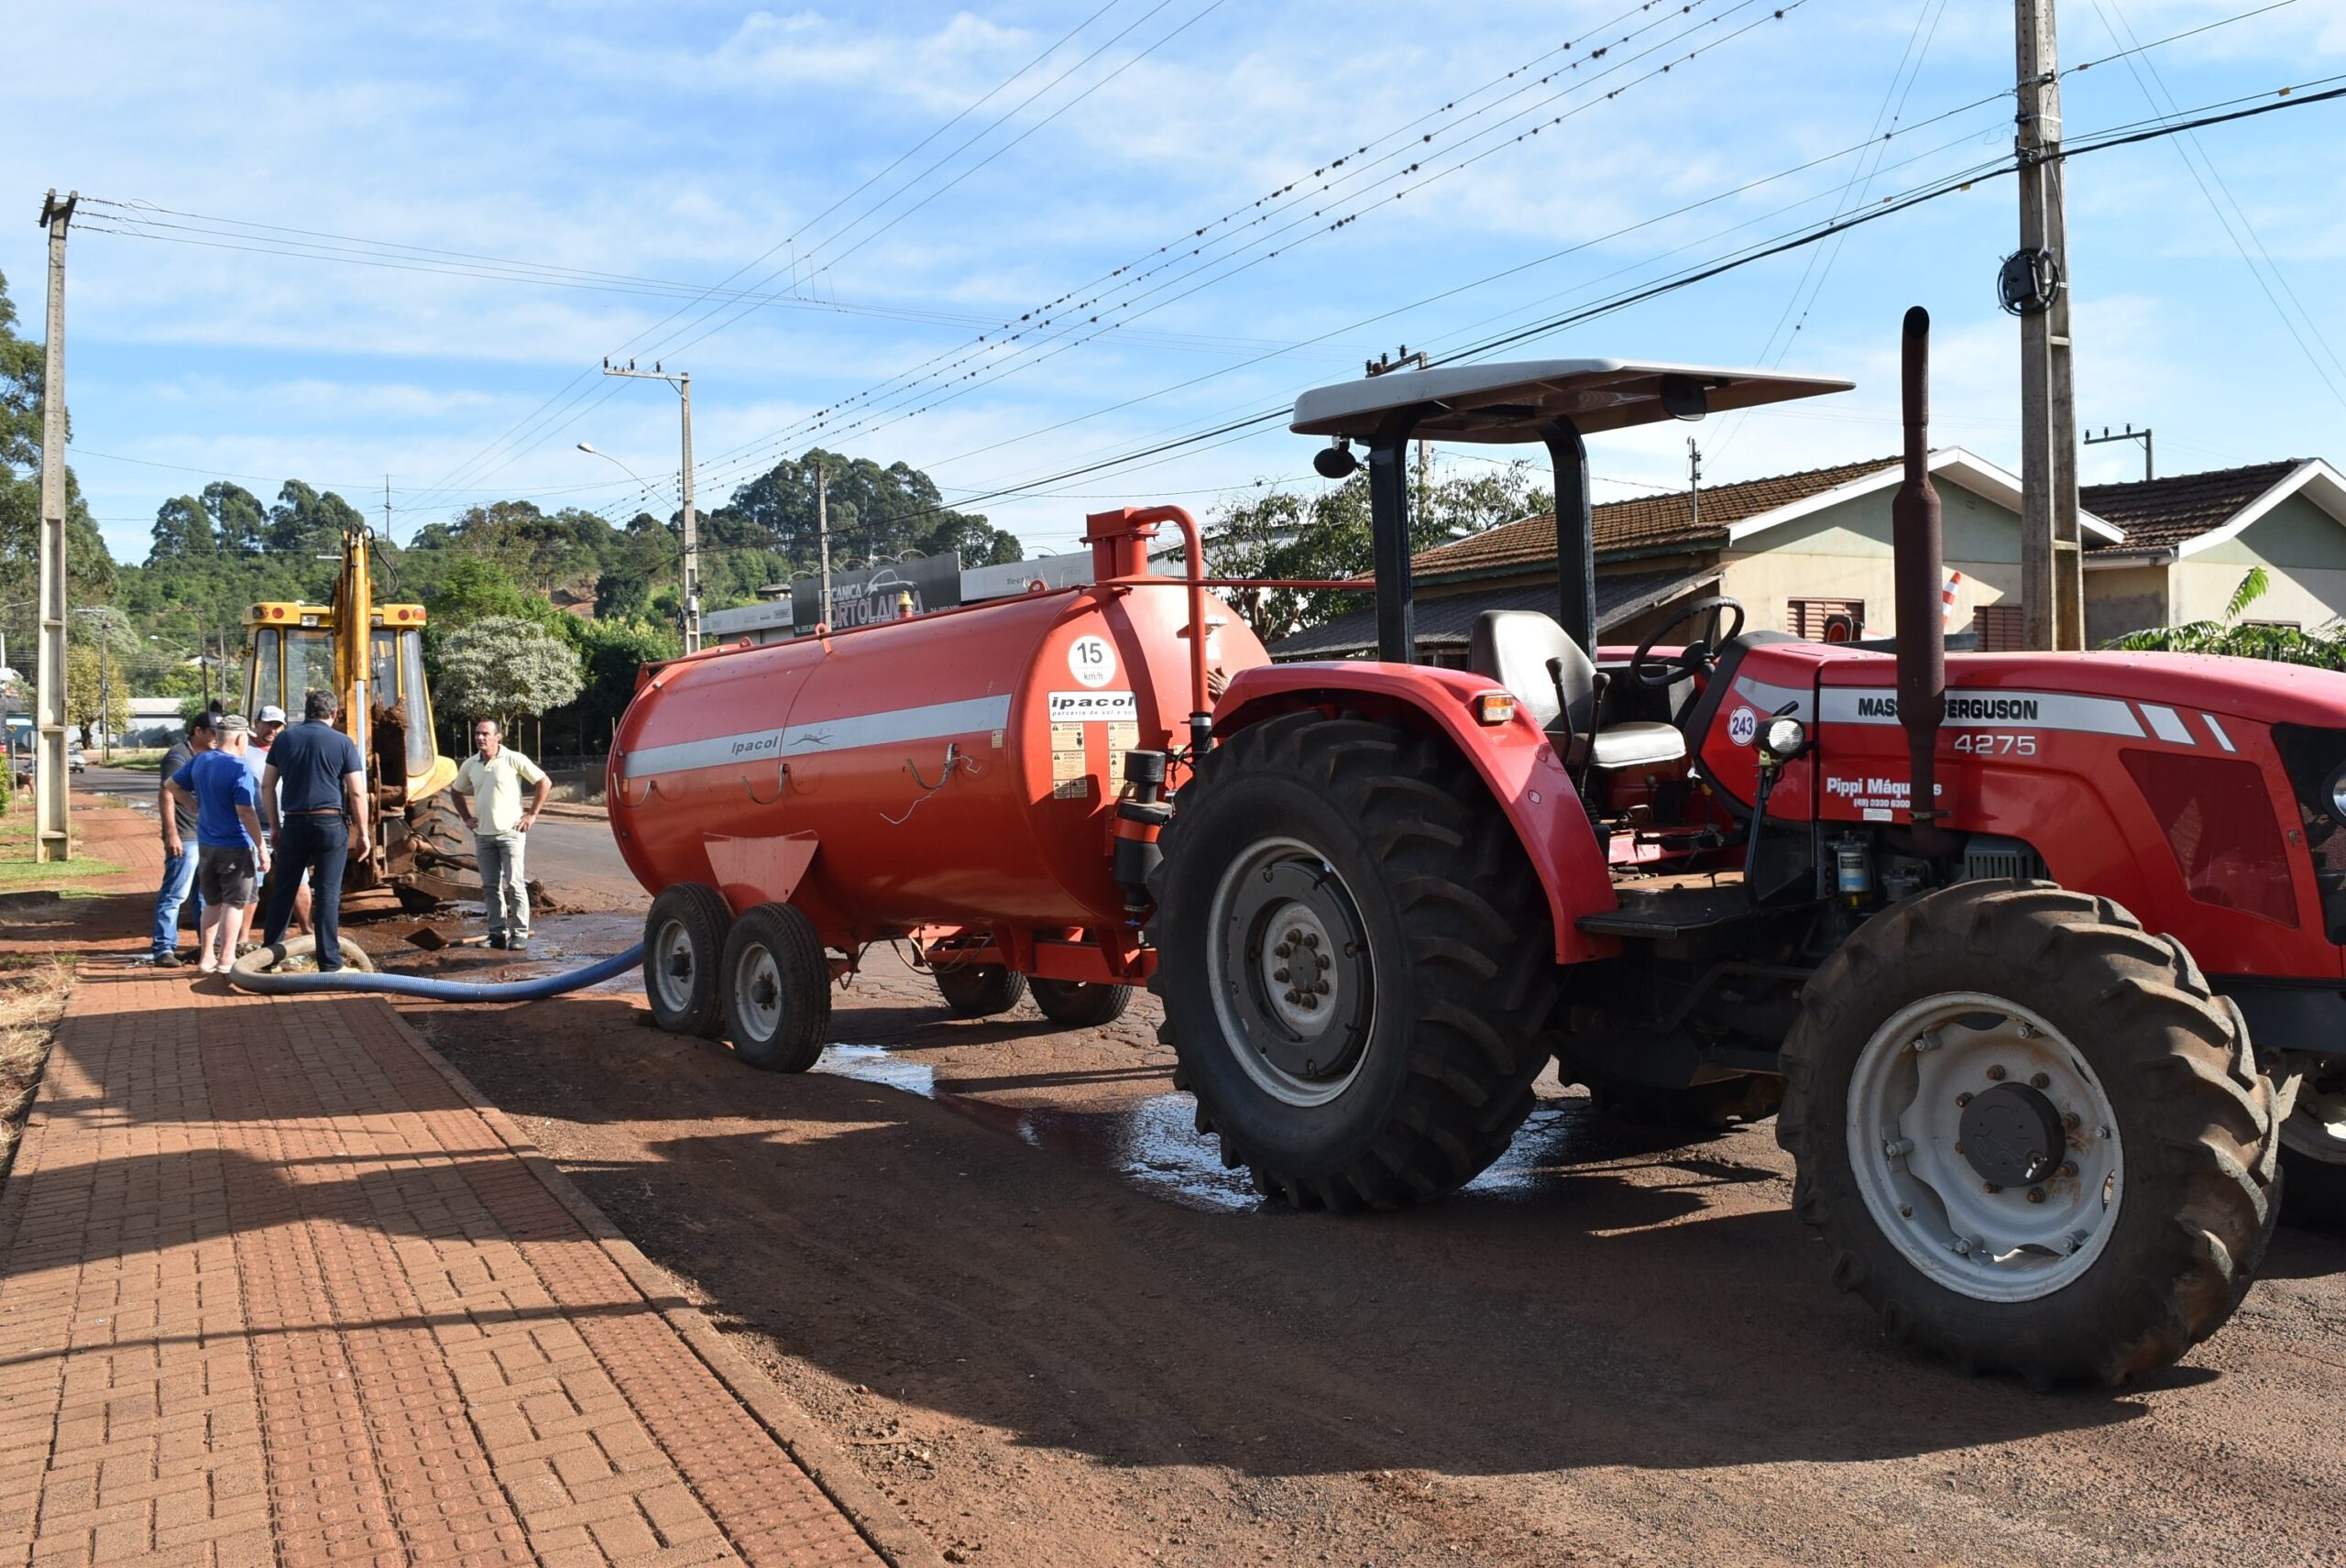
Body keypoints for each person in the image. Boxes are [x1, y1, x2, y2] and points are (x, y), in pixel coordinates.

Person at [261, 688, 367, 972]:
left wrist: (274, 825)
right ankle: (330, 963)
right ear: (334, 713)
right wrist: (364, 833)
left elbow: (267, 785)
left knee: (283, 890)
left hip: (294, 822)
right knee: (328, 894)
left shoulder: (283, 739)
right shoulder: (343, 742)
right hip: (330, 823)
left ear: (306, 711)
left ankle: (268, 959)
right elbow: (357, 793)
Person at [166, 716, 271, 974]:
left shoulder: (201, 759)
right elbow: (246, 811)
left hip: (206, 844)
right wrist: (261, 846)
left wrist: (196, 808)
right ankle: (226, 959)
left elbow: (171, 786)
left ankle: (205, 958)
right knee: (235, 904)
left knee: (212, 903)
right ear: (239, 738)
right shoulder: (239, 768)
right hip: (235, 845)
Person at [452, 718, 549, 949]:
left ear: (498, 737)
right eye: (477, 733)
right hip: (483, 836)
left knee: (514, 884)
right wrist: (467, 817)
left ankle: (520, 933)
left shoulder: (513, 759)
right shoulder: (470, 764)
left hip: (510, 834)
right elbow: (455, 791)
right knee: (490, 887)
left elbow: (544, 782)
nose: (480, 738)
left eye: (485, 733)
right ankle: (496, 933)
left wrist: (532, 814)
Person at [148, 710, 217, 968]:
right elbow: (167, 793)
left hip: (206, 836)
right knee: (175, 894)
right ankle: (164, 948)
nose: (217, 737)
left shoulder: (208, 755)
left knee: (204, 895)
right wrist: (171, 833)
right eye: (213, 732)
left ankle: (206, 947)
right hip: (185, 837)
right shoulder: (179, 756)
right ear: (198, 731)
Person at [246, 705, 310, 937]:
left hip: (288, 823)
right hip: (255, 827)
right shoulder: (245, 749)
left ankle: (306, 930)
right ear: (256, 723)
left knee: (300, 878)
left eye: (277, 725)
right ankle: (242, 939)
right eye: (268, 724)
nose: (272, 730)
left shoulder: (289, 748)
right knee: (253, 880)